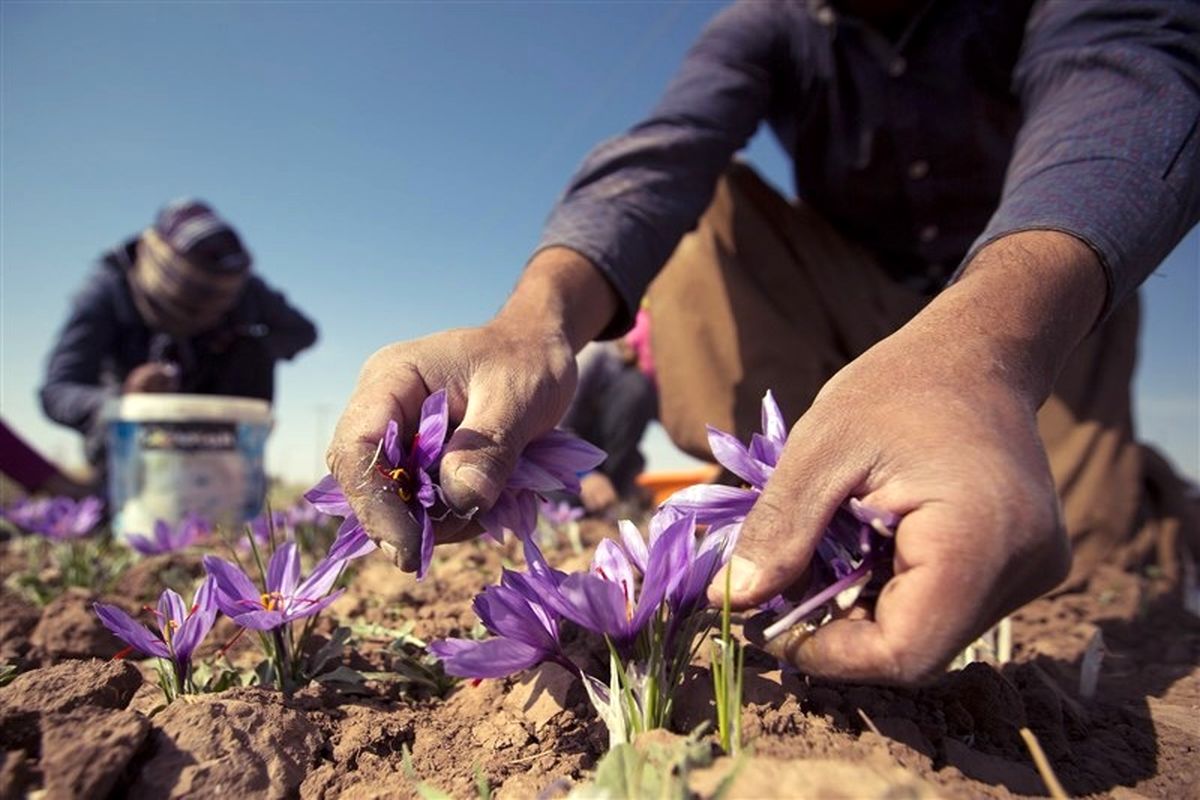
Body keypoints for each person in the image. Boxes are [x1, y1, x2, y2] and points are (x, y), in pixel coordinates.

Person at [326, 0, 1200, 685]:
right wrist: (532, 323)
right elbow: (663, 158)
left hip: (1031, 299)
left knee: (1055, 541)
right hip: (847, 297)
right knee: (699, 208)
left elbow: (1133, 81)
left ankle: (1152, 496)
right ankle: (791, 505)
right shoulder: (771, 22)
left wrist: (980, 353)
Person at [41, 199, 318, 465]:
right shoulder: (109, 290)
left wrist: (231, 339)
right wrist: (123, 399)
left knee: (251, 349)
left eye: (215, 306)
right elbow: (57, 391)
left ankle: (235, 471)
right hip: (135, 438)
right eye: (189, 304)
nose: (202, 316)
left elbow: (303, 332)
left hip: (219, 434)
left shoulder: (242, 288)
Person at [561, 307, 658, 514]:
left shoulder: (645, 381)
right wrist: (584, 474)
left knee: (638, 388)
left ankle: (616, 498)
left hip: (600, 462)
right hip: (562, 460)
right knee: (636, 387)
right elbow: (555, 425)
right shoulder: (597, 352)